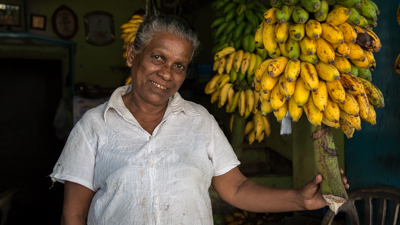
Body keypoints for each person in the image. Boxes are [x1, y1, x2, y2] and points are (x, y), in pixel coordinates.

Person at [50, 14, 349, 225]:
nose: (167, 73)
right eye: (158, 58)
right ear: (132, 55)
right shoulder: (94, 126)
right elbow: (74, 215)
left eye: (179, 65)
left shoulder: (199, 121)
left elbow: (236, 189)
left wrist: (300, 199)